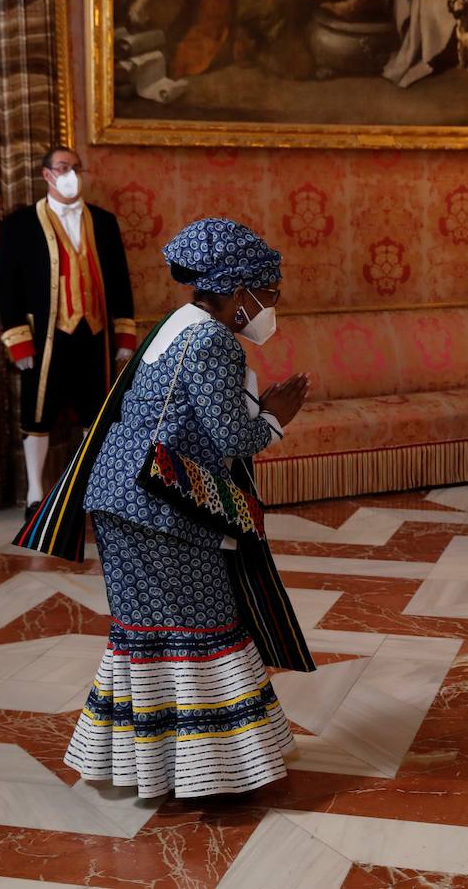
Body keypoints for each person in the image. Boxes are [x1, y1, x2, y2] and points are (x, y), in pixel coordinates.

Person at [64, 218, 311, 798]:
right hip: (162, 507)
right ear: (236, 289)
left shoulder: (176, 324)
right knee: (199, 626)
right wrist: (276, 417)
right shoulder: (213, 340)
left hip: (121, 497)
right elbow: (230, 438)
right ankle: (213, 769)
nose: (272, 304)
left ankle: (152, 766)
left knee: (144, 630)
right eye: (267, 292)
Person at [0, 147, 136, 519]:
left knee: (97, 414)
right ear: (47, 175)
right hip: (45, 336)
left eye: (76, 167)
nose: (71, 173)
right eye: (63, 168)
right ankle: (35, 494)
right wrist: (17, 341)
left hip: (95, 333)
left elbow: (121, 284)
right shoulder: (19, 225)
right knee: (38, 413)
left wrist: (124, 338)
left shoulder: (104, 222)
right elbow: (6, 288)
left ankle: (94, 490)